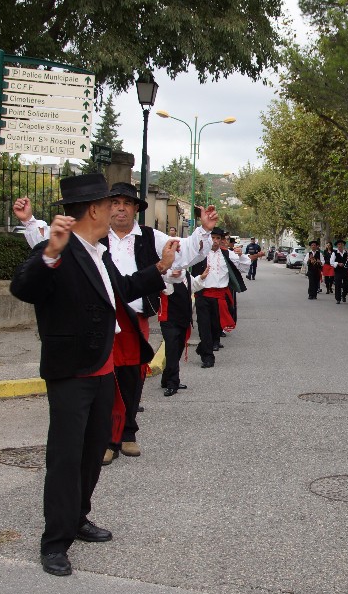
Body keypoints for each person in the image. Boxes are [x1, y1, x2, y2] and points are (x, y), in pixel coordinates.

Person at [9, 173, 178, 576]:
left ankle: (78, 516)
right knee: (65, 457)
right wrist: (49, 250)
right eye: (109, 205)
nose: (116, 212)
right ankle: (54, 542)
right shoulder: (61, 250)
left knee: (91, 453)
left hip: (101, 366)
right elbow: (24, 287)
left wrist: (161, 267)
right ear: (93, 210)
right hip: (71, 369)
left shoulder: (99, 251)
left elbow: (124, 290)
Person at [16, 183, 217, 466]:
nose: (120, 207)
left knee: (132, 377)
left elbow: (181, 253)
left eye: (127, 203)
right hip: (100, 317)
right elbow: (52, 246)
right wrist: (28, 221)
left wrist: (204, 231)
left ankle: (127, 432)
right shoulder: (92, 236)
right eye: (116, 202)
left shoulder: (150, 237)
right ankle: (107, 438)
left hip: (134, 317)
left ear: (136, 208)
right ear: (105, 208)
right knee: (103, 379)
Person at [191, 227, 252, 368]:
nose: (215, 241)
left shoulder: (227, 254)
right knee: (204, 327)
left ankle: (203, 347)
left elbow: (244, 267)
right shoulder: (199, 254)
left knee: (216, 328)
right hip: (203, 294)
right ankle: (208, 357)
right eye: (213, 238)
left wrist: (242, 255)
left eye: (218, 238)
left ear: (222, 240)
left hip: (219, 296)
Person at [158, 267, 194, 396]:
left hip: (183, 317)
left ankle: (166, 379)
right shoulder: (164, 273)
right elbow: (165, 290)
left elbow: (193, 287)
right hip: (169, 318)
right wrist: (171, 276)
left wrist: (202, 277)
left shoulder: (187, 274)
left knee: (177, 350)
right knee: (172, 350)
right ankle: (173, 383)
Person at [331, 239, 348, 304]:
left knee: (347, 284)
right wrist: (338, 263)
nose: (340, 245)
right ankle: (338, 298)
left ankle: (344, 295)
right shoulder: (334, 253)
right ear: (337, 245)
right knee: (338, 284)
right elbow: (331, 262)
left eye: (342, 244)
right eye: (339, 244)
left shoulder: (346, 252)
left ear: (343, 245)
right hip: (338, 271)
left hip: (345, 270)